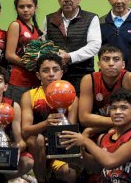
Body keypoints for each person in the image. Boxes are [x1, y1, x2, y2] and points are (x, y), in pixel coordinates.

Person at [61, 88, 131, 182]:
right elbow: (97, 168)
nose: (117, 112)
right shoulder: (103, 138)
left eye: (123, 108)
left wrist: (86, 141)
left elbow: (110, 162)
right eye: (114, 108)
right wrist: (81, 152)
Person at [21, 53, 78, 183]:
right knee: (37, 139)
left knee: (70, 175)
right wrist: (46, 124)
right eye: (45, 70)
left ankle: (52, 171)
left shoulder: (72, 97)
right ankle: (40, 179)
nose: (51, 74)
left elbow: (71, 130)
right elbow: (25, 131)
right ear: (38, 75)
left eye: (55, 69)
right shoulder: (29, 96)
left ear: (61, 73)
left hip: (59, 149)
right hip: (37, 150)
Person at [43, 0, 101, 95]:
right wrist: (55, 51)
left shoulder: (91, 18)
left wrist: (70, 56)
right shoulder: (49, 19)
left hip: (83, 76)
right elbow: (44, 44)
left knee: (81, 111)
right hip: (55, 77)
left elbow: (94, 46)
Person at [79, 44, 131, 132]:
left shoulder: (129, 78)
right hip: (98, 128)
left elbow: (130, 116)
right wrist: (117, 121)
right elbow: (84, 118)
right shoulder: (89, 79)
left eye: (116, 59)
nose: (111, 64)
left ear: (123, 64)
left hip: (119, 129)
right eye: (106, 59)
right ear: (98, 64)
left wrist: (92, 129)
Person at [5, 0, 42, 103]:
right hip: (18, 80)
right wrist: (30, 65)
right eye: (21, 7)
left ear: (35, 8)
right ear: (16, 9)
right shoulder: (16, 25)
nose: (25, 10)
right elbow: (9, 55)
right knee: (17, 115)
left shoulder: (35, 29)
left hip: (33, 79)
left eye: (29, 6)